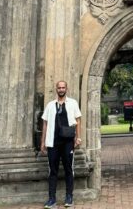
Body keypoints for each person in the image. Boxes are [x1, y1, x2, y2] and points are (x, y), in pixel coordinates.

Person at [41, 80, 83, 208]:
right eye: (59, 87)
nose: (61, 89)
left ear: (66, 89)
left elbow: (78, 120)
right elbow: (45, 124)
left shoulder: (73, 103)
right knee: (52, 171)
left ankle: (69, 197)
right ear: (56, 89)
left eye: (63, 87)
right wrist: (42, 142)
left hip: (67, 143)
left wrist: (78, 137)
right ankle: (52, 199)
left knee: (68, 169)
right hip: (52, 143)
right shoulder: (50, 105)